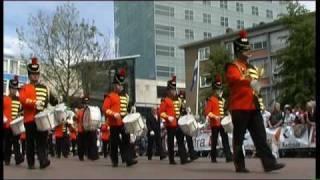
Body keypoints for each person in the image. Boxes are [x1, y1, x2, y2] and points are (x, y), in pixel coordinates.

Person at [225, 29, 285, 173]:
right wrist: (248, 82)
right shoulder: (233, 66)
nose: (249, 51)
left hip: (253, 106)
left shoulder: (250, 67)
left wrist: (256, 87)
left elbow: (252, 83)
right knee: (238, 138)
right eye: (246, 49)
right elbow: (234, 79)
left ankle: (269, 163)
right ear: (239, 51)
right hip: (240, 108)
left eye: (249, 48)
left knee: (260, 136)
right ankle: (239, 165)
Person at [19, 57, 59, 169]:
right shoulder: (24, 88)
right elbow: (22, 99)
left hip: (42, 119)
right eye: (32, 74)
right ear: (29, 75)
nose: (35, 76)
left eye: (37, 73)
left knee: (42, 141)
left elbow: (52, 100)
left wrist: (56, 101)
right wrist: (34, 103)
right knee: (30, 142)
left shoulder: (46, 87)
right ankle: (31, 163)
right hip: (30, 119)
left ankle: (43, 161)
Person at [102, 68, 138, 167]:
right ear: (114, 85)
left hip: (124, 122)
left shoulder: (126, 96)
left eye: (121, 85)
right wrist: (113, 113)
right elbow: (104, 109)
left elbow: (127, 108)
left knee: (126, 141)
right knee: (114, 143)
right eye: (118, 85)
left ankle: (128, 160)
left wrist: (131, 110)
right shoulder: (110, 96)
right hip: (114, 123)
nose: (120, 86)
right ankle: (115, 160)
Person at [159, 76, 190, 165]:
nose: (174, 92)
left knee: (181, 140)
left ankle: (183, 158)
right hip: (170, 124)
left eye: (174, 90)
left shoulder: (178, 100)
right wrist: (167, 117)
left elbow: (180, 110)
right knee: (171, 142)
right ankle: (171, 159)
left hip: (178, 122)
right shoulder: (165, 100)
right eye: (172, 90)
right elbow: (161, 113)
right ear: (168, 91)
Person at [204, 74, 232, 163]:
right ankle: (213, 157)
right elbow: (207, 112)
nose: (219, 91)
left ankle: (228, 156)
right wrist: (215, 116)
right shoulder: (211, 99)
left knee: (225, 139)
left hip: (222, 123)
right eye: (217, 89)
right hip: (215, 123)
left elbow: (223, 110)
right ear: (214, 90)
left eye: (219, 89)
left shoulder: (223, 100)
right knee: (215, 141)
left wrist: (227, 114)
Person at [3, 75, 24, 166]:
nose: (14, 90)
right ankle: (7, 159)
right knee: (7, 143)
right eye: (12, 88)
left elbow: (21, 111)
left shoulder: (19, 100)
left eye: (15, 89)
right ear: (9, 88)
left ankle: (18, 159)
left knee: (16, 142)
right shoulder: (5, 99)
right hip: (6, 126)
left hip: (15, 125)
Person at [177, 90, 199, 161]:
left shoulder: (185, 103)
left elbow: (189, 113)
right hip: (181, 123)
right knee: (181, 140)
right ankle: (184, 157)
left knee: (189, 139)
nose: (182, 98)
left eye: (182, 96)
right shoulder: (178, 103)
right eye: (181, 96)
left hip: (186, 122)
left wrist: (192, 115)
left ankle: (191, 154)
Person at [75, 96, 89, 161]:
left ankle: (85, 154)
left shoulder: (89, 111)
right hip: (81, 130)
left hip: (87, 130)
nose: (85, 105)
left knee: (86, 143)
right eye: (84, 103)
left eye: (86, 103)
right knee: (80, 144)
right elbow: (76, 118)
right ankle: (81, 156)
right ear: (83, 104)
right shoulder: (79, 111)